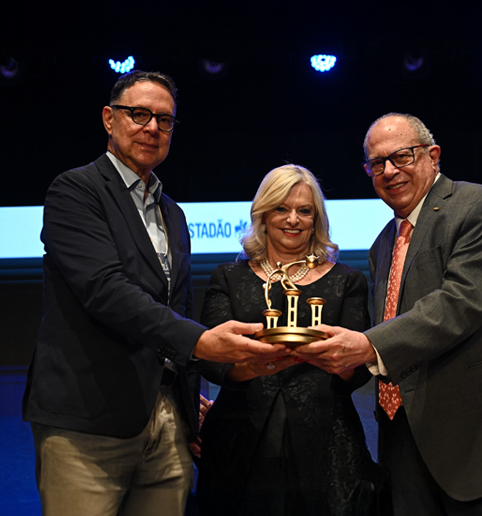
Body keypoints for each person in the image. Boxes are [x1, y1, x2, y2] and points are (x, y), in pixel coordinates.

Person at [22, 70, 289, 516]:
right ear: (109, 119)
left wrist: (186, 402)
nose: (152, 128)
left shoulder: (174, 213)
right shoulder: (74, 191)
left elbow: (174, 308)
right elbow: (106, 292)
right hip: (88, 422)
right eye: (139, 114)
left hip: (167, 421)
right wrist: (203, 341)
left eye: (164, 120)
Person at [295, 113, 482, 515]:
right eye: (376, 164)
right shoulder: (383, 243)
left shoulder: (480, 204)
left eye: (401, 157)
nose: (389, 171)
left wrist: (368, 345)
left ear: (433, 156)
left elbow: (463, 301)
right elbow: (396, 331)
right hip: (408, 445)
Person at [196, 164, 384, 516]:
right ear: (263, 215)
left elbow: (357, 373)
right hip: (240, 440)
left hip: (328, 446)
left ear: (316, 219)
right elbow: (210, 360)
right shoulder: (228, 278)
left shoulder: (347, 281)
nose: (293, 219)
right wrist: (251, 366)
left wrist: (337, 360)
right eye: (281, 208)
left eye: (304, 210)